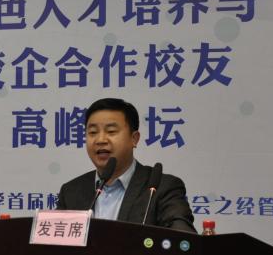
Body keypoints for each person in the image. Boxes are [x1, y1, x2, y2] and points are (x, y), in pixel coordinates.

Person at [56, 97, 196, 233]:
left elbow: (183, 237)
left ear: (134, 139)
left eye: (111, 131)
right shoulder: (71, 192)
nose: (100, 140)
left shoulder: (161, 187)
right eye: (92, 132)